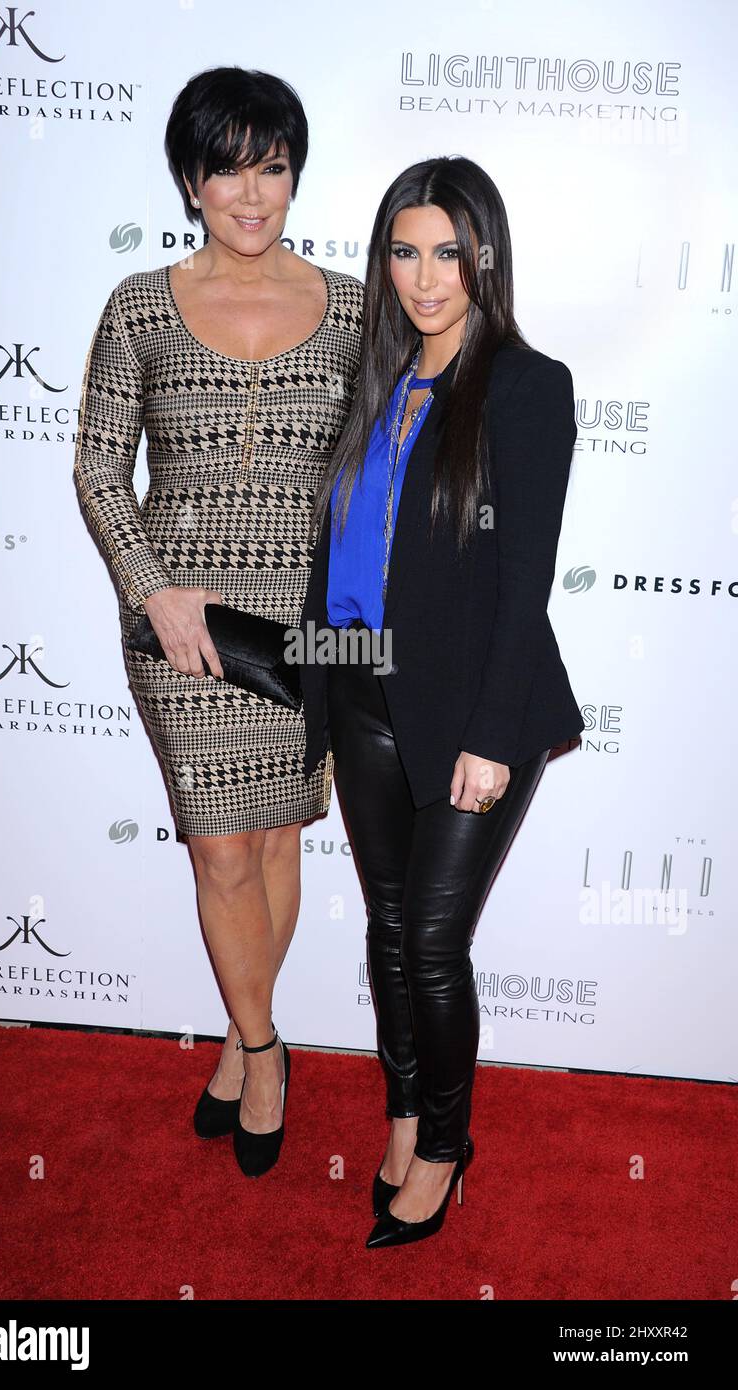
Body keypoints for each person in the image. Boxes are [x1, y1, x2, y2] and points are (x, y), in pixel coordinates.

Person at [73, 66, 363, 1177]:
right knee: (219, 851)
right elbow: (100, 469)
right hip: (179, 624)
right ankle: (265, 1045)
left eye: (273, 166)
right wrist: (152, 586)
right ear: (189, 180)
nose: (252, 192)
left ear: (294, 175)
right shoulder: (139, 304)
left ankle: (244, 1049)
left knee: (280, 836)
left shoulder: (348, 306)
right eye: (227, 167)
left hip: (304, 627)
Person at [298, 155, 584, 1247]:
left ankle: (450, 1146)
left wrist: (487, 739)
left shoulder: (522, 384)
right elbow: (343, 563)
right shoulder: (373, 381)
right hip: (366, 702)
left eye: (446, 252)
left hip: (476, 711)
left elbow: (525, 586)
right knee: (382, 927)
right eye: (403, 251)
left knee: (427, 941)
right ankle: (406, 1109)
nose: (424, 277)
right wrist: (324, 703)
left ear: (485, 256)